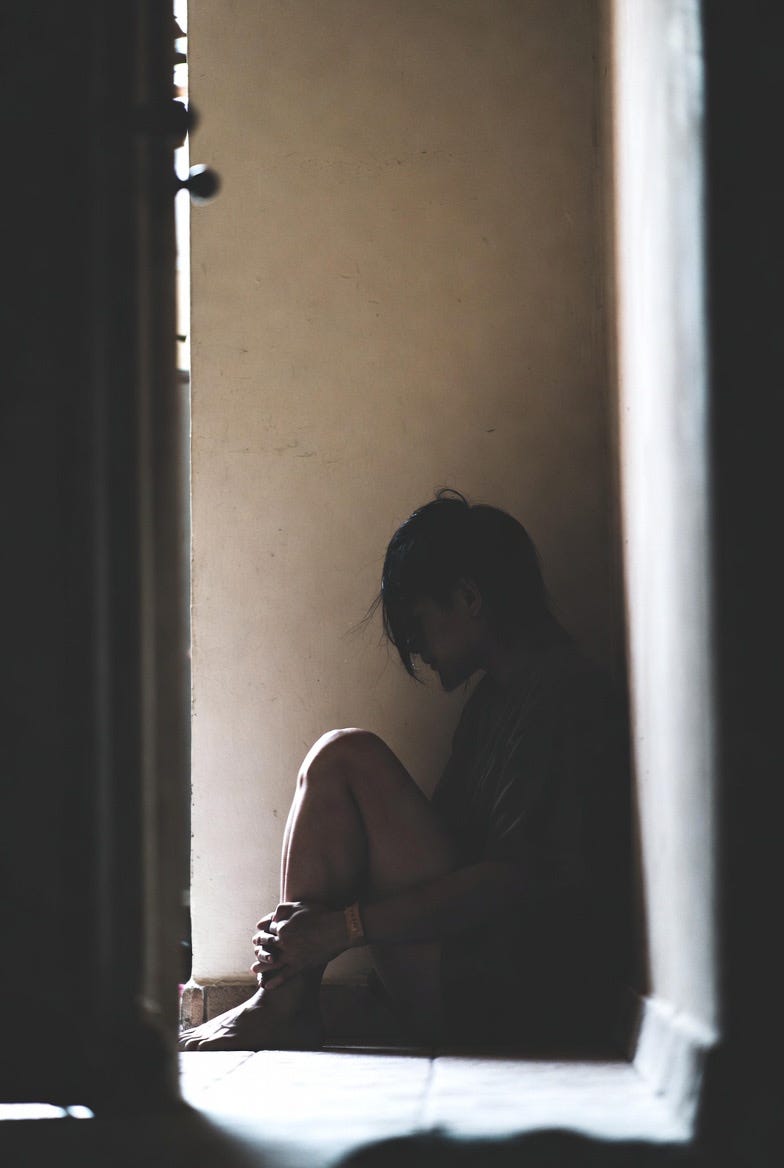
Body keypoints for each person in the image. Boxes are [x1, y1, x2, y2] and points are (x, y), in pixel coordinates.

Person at [179, 490, 632, 1052]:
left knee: (346, 754)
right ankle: (285, 999)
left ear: (468, 598)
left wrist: (341, 928)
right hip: (472, 977)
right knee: (337, 761)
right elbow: (445, 855)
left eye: (417, 625)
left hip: (524, 1001)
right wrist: (303, 932)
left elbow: (514, 884)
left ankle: (283, 1005)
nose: (416, 650)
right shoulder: (495, 702)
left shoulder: (567, 697)